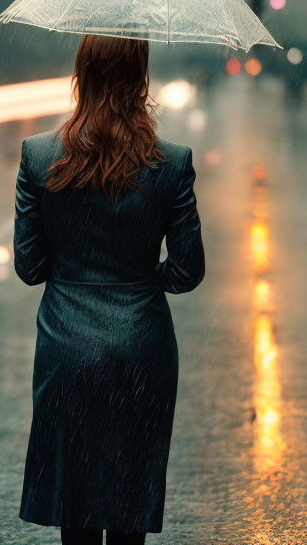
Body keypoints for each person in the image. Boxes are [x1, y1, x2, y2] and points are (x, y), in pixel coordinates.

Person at [13, 34, 206, 544]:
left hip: (66, 346)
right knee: (128, 509)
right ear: (139, 80)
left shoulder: (38, 157)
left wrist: (76, 266)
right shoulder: (173, 163)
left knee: (75, 510)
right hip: (142, 347)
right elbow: (187, 272)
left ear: (82, 75)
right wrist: (140, 278)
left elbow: (30, 267)